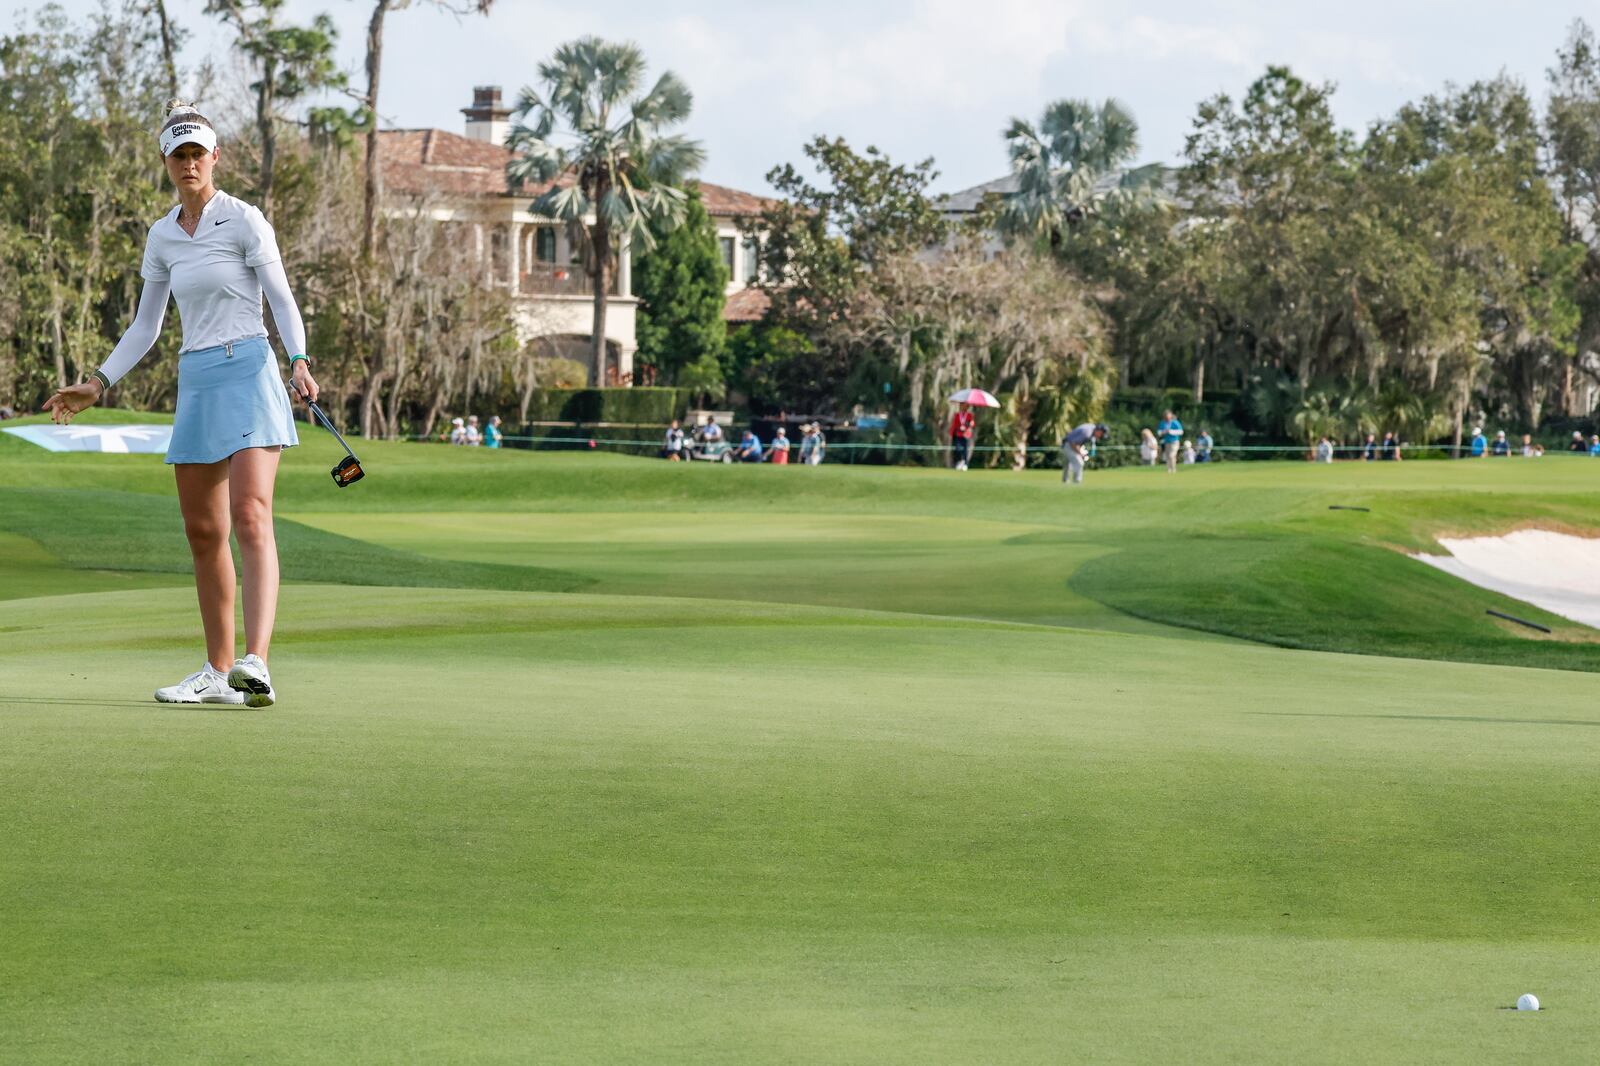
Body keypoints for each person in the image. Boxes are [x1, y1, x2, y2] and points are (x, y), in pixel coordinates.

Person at [41, 101, 315, 708]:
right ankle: (217, 672)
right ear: (166, 162)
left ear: (215, 157)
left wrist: (298, 359)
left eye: (198, 153)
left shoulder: (244, 220)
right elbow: (146, 325)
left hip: (248, 368)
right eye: (179, 154)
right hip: (196, 378)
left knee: (249, 514)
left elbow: (282, 298)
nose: (190, 163)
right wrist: (99, 382)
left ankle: (256, 664)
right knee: (202, 530)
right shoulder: (162, 234)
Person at [949, 402, 976, 471]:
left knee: (965, 450)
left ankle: (965, 464)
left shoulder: (970, 415)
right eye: (962, 406)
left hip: (966, 435)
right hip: (958, 434)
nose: (963, 407)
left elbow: (972, 424)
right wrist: (951, 433)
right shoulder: (957, 415)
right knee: (957, 449)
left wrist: (967, 426)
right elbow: (954, 425)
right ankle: (960, 461)